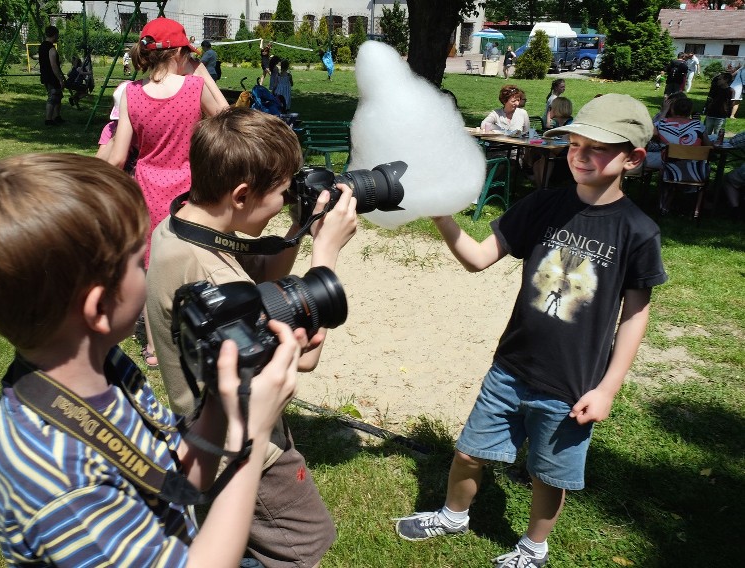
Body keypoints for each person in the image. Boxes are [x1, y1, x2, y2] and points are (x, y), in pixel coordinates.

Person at [0, 152, 303, 567]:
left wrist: (222, 402)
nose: (145, 268)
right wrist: (252, 439)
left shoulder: (105, 370)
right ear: (100, 307)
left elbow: (173, 478)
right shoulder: (60, 479)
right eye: (135, 261)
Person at [395, 94, 667, 567]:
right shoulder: (542, 204)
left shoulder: (638, 231)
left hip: (571, 384)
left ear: (633, 158)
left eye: (597, 147)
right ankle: (453, 514)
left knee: (549, 475)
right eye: (574, 143)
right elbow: (479, 258)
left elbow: (636, 314)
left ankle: (533, 548)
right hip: (511, 366)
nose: (580, 154)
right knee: (469, 452)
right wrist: (442, 217)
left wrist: (607, 389)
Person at [146, 106, 358, 568]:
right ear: (242, 195)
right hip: (248, 451)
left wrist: (295, 230)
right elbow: (299, 358)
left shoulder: (183, 226)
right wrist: (325, 252)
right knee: (301, 548)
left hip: (210, 430)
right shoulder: (208, 272)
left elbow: (258, 285)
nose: (287, 200)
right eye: (282, 194)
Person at [107, 16, 229, 370]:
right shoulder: (193, 88)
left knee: (152, 265)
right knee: (195, 257)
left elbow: (117, 157)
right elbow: (225, 116)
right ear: (180, 52)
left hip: (147, 185)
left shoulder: (131, 94)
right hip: (189, 185)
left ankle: (154, 348)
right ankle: (200, 330)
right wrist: (199, 70)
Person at [39, 25, 65, 126]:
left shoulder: (42, 46)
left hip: (45, 75)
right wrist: (60, 79)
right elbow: (54, 65)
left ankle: (57, 117)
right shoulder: (51, 48)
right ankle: (48, 120)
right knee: (53, 97)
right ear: (54, 35)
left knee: (58, 96)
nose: (58, 37)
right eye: (57, 35)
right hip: (51, 77)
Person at [704, 72, 734, 136]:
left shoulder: (730, 91)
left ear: (726, 80)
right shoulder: (715, 89)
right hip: (710, 114)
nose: (718, 80)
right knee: (706, 133)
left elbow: (731, 104)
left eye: (720, 79)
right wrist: (706, 109)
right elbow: (709, 99)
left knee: (717, 134)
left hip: (721, 116)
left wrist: (728, 113)